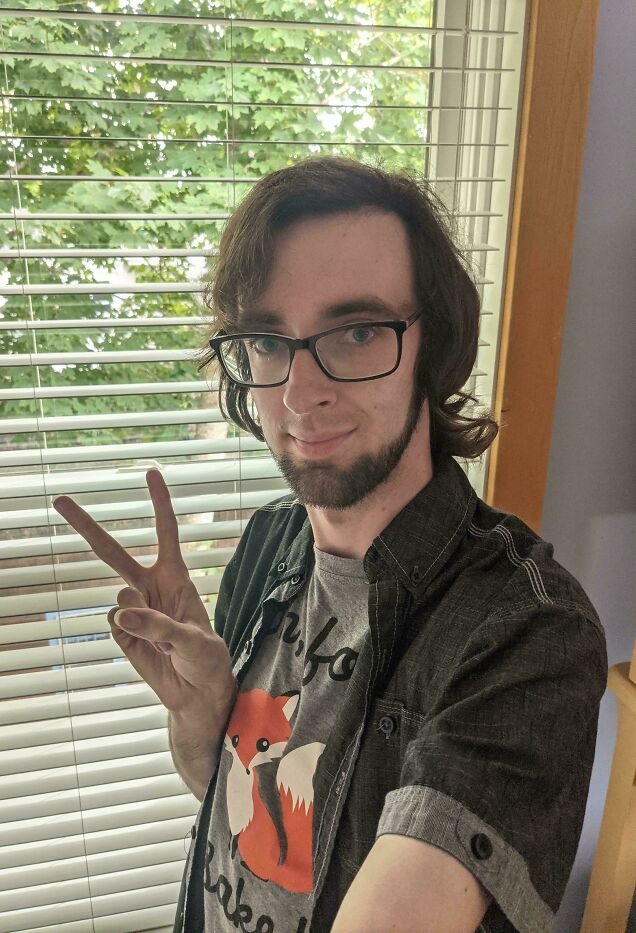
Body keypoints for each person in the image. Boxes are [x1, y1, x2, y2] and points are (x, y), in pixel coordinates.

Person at [53, 157, 608, 933]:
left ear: (433, 345)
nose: (298, 393)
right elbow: (242, 830)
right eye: (268, 341)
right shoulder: (269, 543)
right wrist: (201, 719)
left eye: (354, 332)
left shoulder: (527, 632)